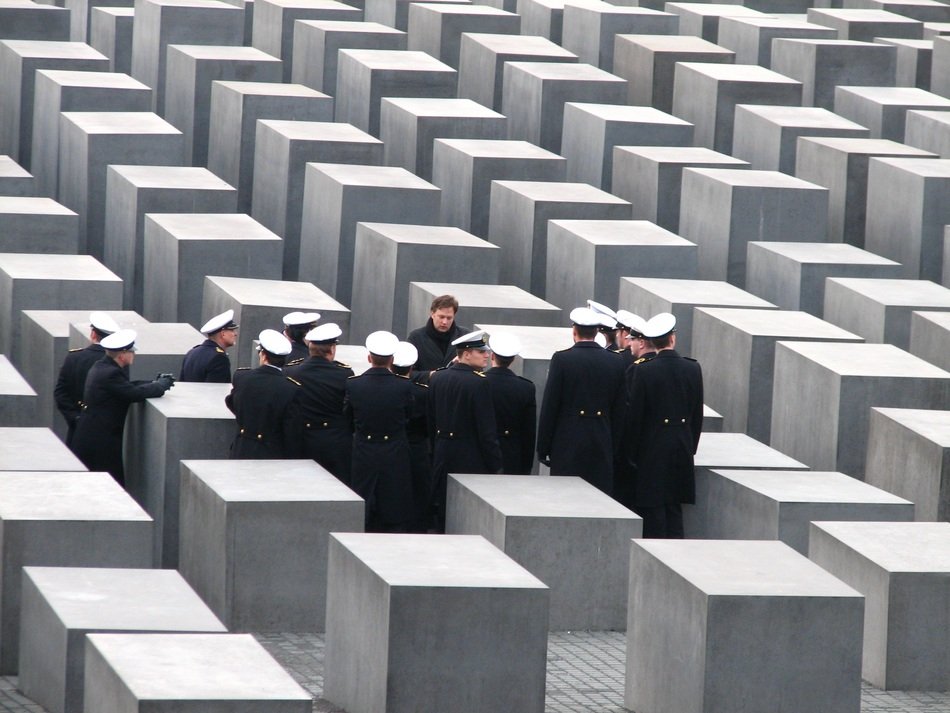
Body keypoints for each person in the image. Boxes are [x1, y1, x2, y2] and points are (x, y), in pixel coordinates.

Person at [625, 313, 703, 538]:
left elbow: (635, 417)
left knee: (653, 507)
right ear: (673, 338)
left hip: (652, 447)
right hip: (681, 445)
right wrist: (691, 446)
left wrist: (632, 453)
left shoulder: (643, 370)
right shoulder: (692, 368)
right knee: (674, 506)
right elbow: (696, 414)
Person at [537, 307, 626, 496]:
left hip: (567, 442)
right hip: (601, 442)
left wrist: (543, 447)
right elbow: (620, 411)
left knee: (567, 499)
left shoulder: (562, 359)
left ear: (574, 331)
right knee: (598, 499)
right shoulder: (616, 361)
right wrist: (614, 448)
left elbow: (551, 406)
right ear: (596, 332)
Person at [70, 329, 174, 485]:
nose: (134, 355)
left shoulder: (103, 366)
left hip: (92, 437)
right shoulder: (110, 373)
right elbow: (132, 393)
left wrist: (153, 382)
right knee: (110, 486)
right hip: (100, 443)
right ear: (122, 354)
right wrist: (160, 387)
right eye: (131, 352)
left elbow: (126, 386)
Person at [427, 330, 502, 531]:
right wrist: (495, 464)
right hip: (470, 456)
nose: (487, 355)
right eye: (481, 351)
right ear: (466, 354)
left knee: (442, 508)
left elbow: (431, 421)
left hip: (442, 453)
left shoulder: (438, 377)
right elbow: (486, 429)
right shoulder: (480, 382)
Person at [344, 331, 414, 532]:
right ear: (392, 360)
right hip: (395, 448)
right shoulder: (404, 386)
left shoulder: (353, 384)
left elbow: (348, 417)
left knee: (362, 496)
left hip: (364, 448)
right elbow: (408, 415)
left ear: (369, 358)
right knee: (394, 499)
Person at [285, 322, 354, 484]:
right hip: (336, 442)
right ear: (332, 349)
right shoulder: (344, 374)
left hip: (303, 440)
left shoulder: (291, 371)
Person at [225, 329, 302, 459]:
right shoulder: (291, 388)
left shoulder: (241, 376)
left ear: (263, 355)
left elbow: (232, 403)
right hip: (272, 453)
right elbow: (291, 429)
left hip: (242, 449)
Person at [54, 311, 120, 446]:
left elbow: (60, 394)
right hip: (107, 432)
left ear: (93, 334)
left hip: (77, 429)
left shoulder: (74, 358)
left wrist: (75, 418)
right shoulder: (116, 361)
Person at [392, 340, 432, 532]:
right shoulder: (424, 393)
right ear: (413, 366)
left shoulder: (388, 390)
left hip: (392, 448)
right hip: (418, 449)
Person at [484, 333, 536, 475]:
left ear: (492, 356)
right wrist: (526, 467)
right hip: (513, 455)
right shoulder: (526, 387)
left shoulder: (478, 383)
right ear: (512, 359)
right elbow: (529, 433)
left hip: (482, 454)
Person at [407, 294, 468, 373]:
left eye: (449, 318)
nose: (444, 322)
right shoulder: (416, 338)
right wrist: (430, 375)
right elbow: (409, 373)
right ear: (432, 314)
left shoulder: (464, 336)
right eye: (441, 317)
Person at [179, 309, 238, 383]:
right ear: (223, 334)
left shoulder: (191, 353)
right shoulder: (219, 358)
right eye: (232, 330)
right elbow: (216, 391)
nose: (235, 334)